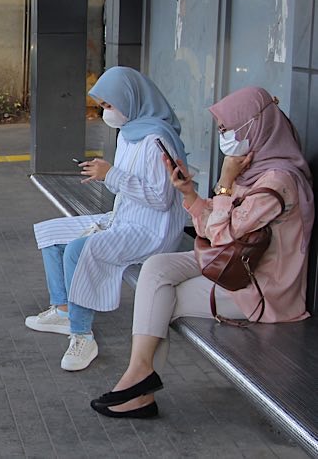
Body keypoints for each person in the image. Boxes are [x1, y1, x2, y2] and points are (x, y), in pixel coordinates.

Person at [90, 86, 314, 419]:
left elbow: (221, 236)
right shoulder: (254, 171)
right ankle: (139, 377)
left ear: (256, 127)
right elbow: (214, 229)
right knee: (156, 269)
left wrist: (225, 181)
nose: (224, 137)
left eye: (228, 129)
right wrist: (190, 193)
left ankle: (139, 386)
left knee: (164, 298)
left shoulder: (276, 182)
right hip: (235, 266)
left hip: (261, 289)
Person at [27, 66, 188, 372]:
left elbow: (161, 198)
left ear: (130, 99)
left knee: (79, 250)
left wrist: (111, 174)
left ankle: (82, 335)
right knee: (52, 235)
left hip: (151, 229)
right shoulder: (129, 132)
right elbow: (130, 180)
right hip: (125, 217)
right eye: (102, 107)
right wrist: (105, 174)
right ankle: (63, 310)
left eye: (109, 106)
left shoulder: (156, 139)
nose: (106, 113)